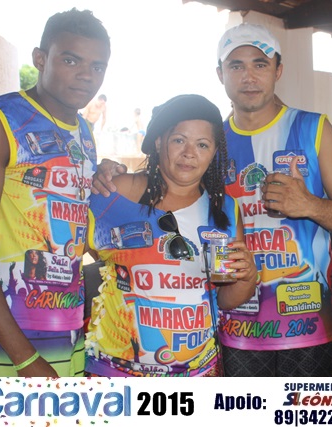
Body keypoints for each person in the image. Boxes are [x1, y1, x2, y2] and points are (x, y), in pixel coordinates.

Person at [0, 8, 110, 377]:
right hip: (6, 335)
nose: (86, 75)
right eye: (71, 60)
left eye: (97, 66)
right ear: (40, 59)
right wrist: (25, 359)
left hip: (67, 327)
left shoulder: (84, 132)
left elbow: (73, 228)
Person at [215, 23, 332, 376]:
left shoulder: (314, 129)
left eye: (260, 64)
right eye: (236, 66)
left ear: (278, 70)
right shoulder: (209, 143)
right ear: (220, 74)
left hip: (308, 325)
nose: (249, 76)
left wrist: (310, 205)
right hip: (235, 328)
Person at [85, 94, 257, 377]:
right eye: (179, 140)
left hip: (197, 374)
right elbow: (68, 252)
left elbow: (225, 298)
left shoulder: (224, 210)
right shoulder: (115, 192)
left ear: (214, 152)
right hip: (117, 373)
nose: (189, 153)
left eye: (202, 144)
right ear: (158, 142)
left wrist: (248, 278)